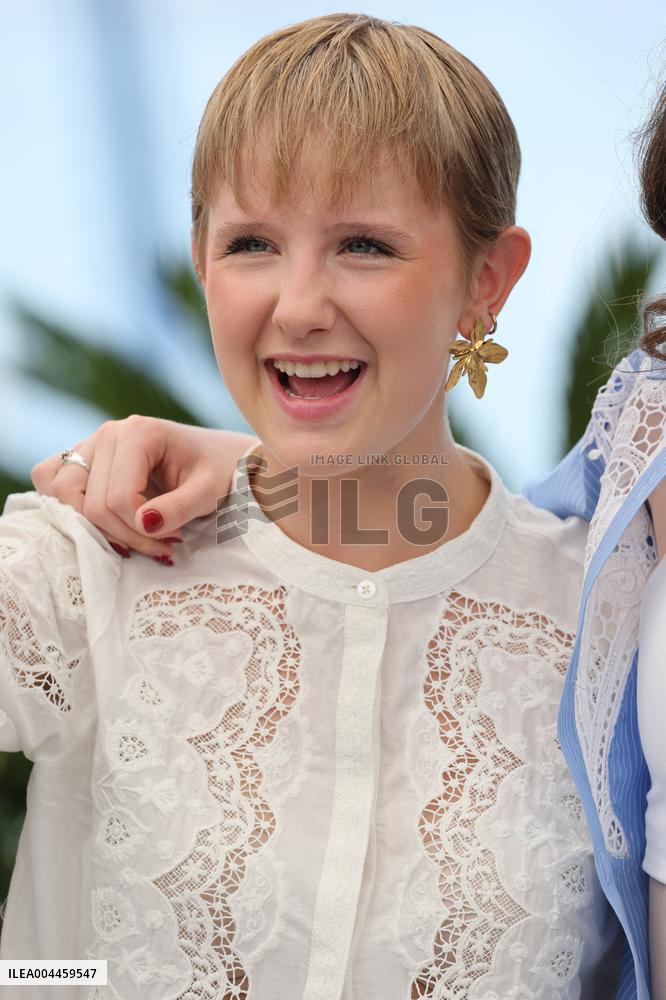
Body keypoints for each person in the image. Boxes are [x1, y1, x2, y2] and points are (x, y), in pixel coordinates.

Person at [1, 12, 658, 998]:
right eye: (253, 243)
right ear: (200, 261)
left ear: (488, 279)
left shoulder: (605, 623)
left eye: (362, 245)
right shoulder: (81, 556)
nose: (298, 304)